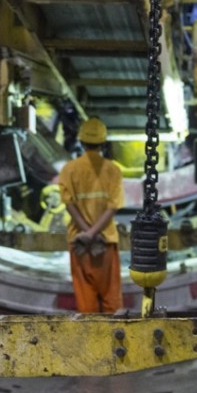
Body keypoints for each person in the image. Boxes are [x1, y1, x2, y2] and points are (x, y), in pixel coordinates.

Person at [58, 117, 125, 313]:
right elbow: (113, 206)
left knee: (86, 303)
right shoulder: (113, 170)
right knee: (111, 301)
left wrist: (86, 234)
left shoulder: (69, 169)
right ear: (103, 143)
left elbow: (68, 203)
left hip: (79, 243)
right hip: (105, 242)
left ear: (81, 141)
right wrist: (95, 234)